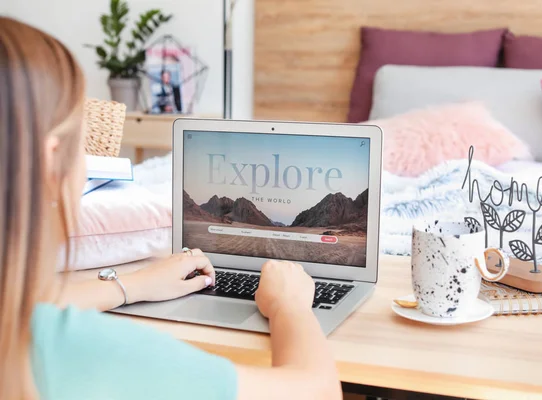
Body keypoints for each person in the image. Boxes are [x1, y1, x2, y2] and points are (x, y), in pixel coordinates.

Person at [0, 17, 342, 400]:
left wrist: (131, 285)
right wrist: (289, 306)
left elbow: (28, 307)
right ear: (51, 160)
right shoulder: (71, 351)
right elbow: (318, 391)